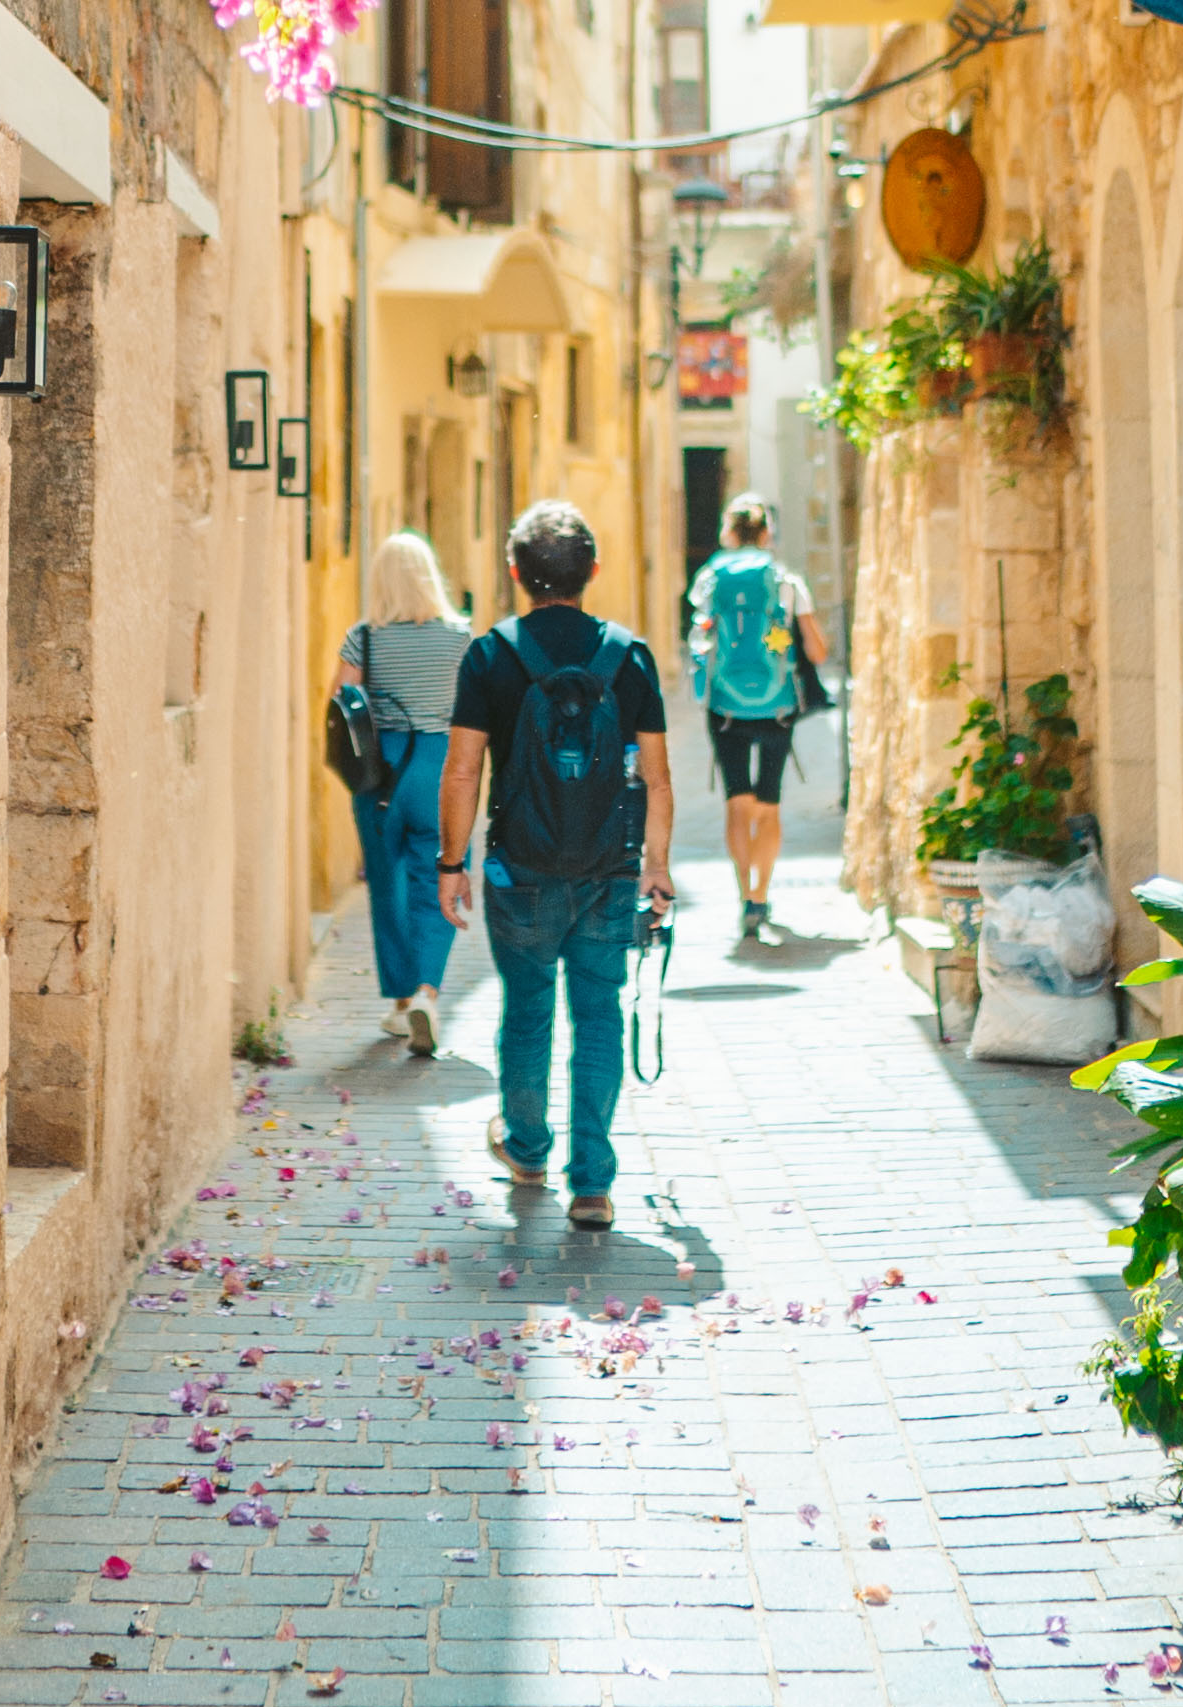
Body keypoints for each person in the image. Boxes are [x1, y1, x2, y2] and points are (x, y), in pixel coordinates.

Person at [437, 498, 673, 1231]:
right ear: (593, 571)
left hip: (521, 870)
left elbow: (462, 770)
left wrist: (453, 862)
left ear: (515, 573)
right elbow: (658, 778)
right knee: (599, 1012)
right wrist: (656, 867)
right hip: (609, 868)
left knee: (529, 1007)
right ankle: (593, 1185)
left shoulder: (491, 655)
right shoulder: (629, 657)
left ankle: (528, 1147)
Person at [338, 532, 474, 1054]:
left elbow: (340, 703)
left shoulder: (363, 637)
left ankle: (399, 1002)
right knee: (440, 872)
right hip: (440, 766)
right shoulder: (460, 637)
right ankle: (427, 993)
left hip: (381, 774)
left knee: (386, 881)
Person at [687, 492, 828, 942]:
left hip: (726, 705)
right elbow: (817, 650)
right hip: (777, 706)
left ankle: (742, 895)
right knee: (768, 806)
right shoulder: (786, 580)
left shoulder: (710, 579)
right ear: (767, 531)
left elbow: (699, 640)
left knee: (737, 805)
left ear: (728, 532)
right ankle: (762, 896)